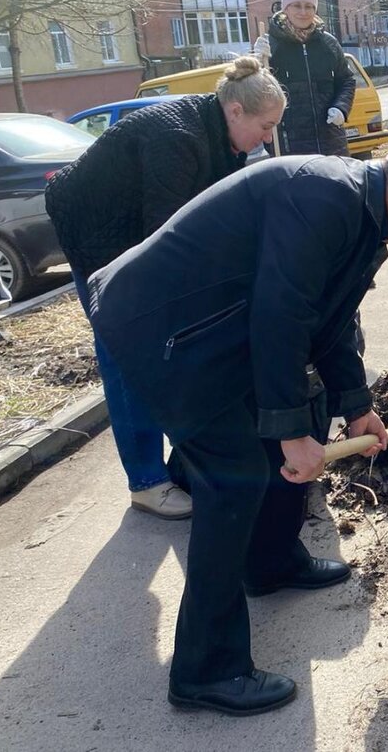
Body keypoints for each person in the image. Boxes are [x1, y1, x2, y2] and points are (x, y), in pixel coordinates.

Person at [85, 142, 388, 716]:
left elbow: (326, 318)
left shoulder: (360, 214)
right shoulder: (320, 197)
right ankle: (206, 671)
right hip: (164, 328)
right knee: (234, 479)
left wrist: (355, 405)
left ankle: (270, 563)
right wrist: (291, 434)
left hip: (215, 327)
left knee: (293, 425)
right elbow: (281, 314)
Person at [45, 57, 285, 520]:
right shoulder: (178, 139)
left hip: (133, 232)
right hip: (98, 238)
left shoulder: (218, 135)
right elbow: (167, 241)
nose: (269, 137)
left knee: (168, 346)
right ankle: (146, 482)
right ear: (235, 111)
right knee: (127, 353)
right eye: (266, 124)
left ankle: (184, 458)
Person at [252, 0, 357, 157]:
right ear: (286, 8)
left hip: (331, 141)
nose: (303, 11)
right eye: (297, 5)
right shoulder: (271, 45)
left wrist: (341, 107)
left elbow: (346, 80)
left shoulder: (328, 44)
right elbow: (256, 90)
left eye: (309, 6)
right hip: (289, 143)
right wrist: (257, 63)